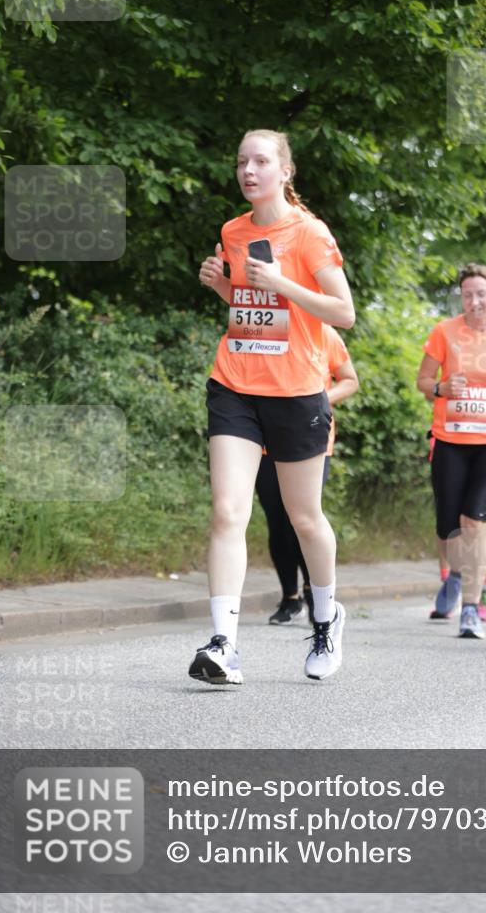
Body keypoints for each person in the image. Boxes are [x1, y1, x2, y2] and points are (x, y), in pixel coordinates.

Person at [189, 129, 355, 684]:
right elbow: (255, 310)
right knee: (227, 512)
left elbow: (343, 312)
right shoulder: (233, 231)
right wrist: (224, 288)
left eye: (261, 160)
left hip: (297, 393)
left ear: (285, 171)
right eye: (242, 161)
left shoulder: (309, 234)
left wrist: (283, 281)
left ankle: (326, 620)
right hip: (235, 384)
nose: (248, 170)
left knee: (304, 518)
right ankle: (223, 646)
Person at [417, 263, 486, 639]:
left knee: (474, 521)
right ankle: (459, 576)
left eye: (482, 294)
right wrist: (442, 389)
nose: (475, 301)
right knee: (449, 528)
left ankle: (471, 606)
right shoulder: (444, 332)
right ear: (460, 298)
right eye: (468, 295)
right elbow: (423, 381)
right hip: (450, 439)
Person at [258, 325, 358, 625]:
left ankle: (314, 592)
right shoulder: (265, 327)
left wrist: (318, 400)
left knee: (302, 518)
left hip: (310, 439)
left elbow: (350, 380)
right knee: (276, 519)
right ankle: (290, 598)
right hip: (264, 439)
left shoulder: (324, 333)